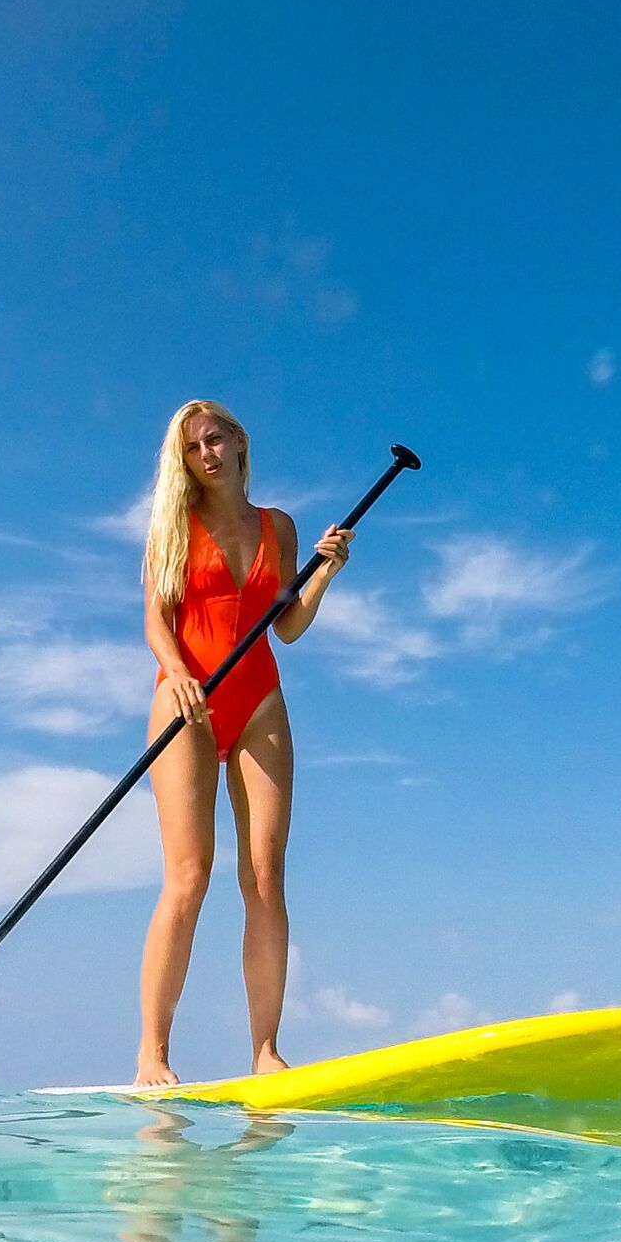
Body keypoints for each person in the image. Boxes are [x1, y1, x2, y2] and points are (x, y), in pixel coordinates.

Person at [133, 399, 351, 1085]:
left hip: (258, 698)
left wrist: (322, 574)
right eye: (194, 449)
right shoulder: (172, 523)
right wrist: (175, 675)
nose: (208, 456)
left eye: (216, 440)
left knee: (264, 874)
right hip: (186, 702)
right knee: (189, 876)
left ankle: (265, 1052)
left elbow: (285, 627)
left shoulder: (277, 527)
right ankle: (153, 1054)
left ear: (239, 441)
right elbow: (155, 621)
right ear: (185, 461)